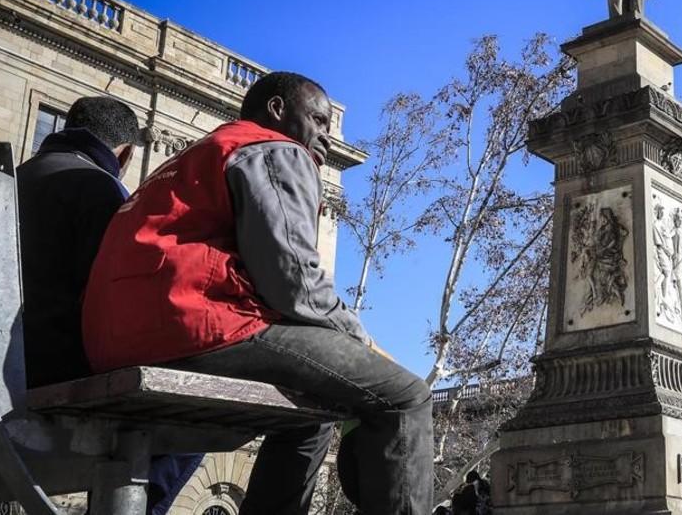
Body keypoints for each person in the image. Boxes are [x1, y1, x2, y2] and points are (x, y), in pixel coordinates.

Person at [82, 72, 432, 515]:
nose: (325, 137)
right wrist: (363, 343)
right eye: (319, 121)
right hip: (189, 326)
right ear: (278, 111)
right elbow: (295, 283)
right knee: (406, 396)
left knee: (314, 409)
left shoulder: (198, 155)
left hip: (114, 340)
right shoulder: (274, 149)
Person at [15, 96, 203, 515]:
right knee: (199, 418)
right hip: (46, 380)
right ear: (126, 153)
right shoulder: (97, 188)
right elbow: (121, 303)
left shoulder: (9, 180)